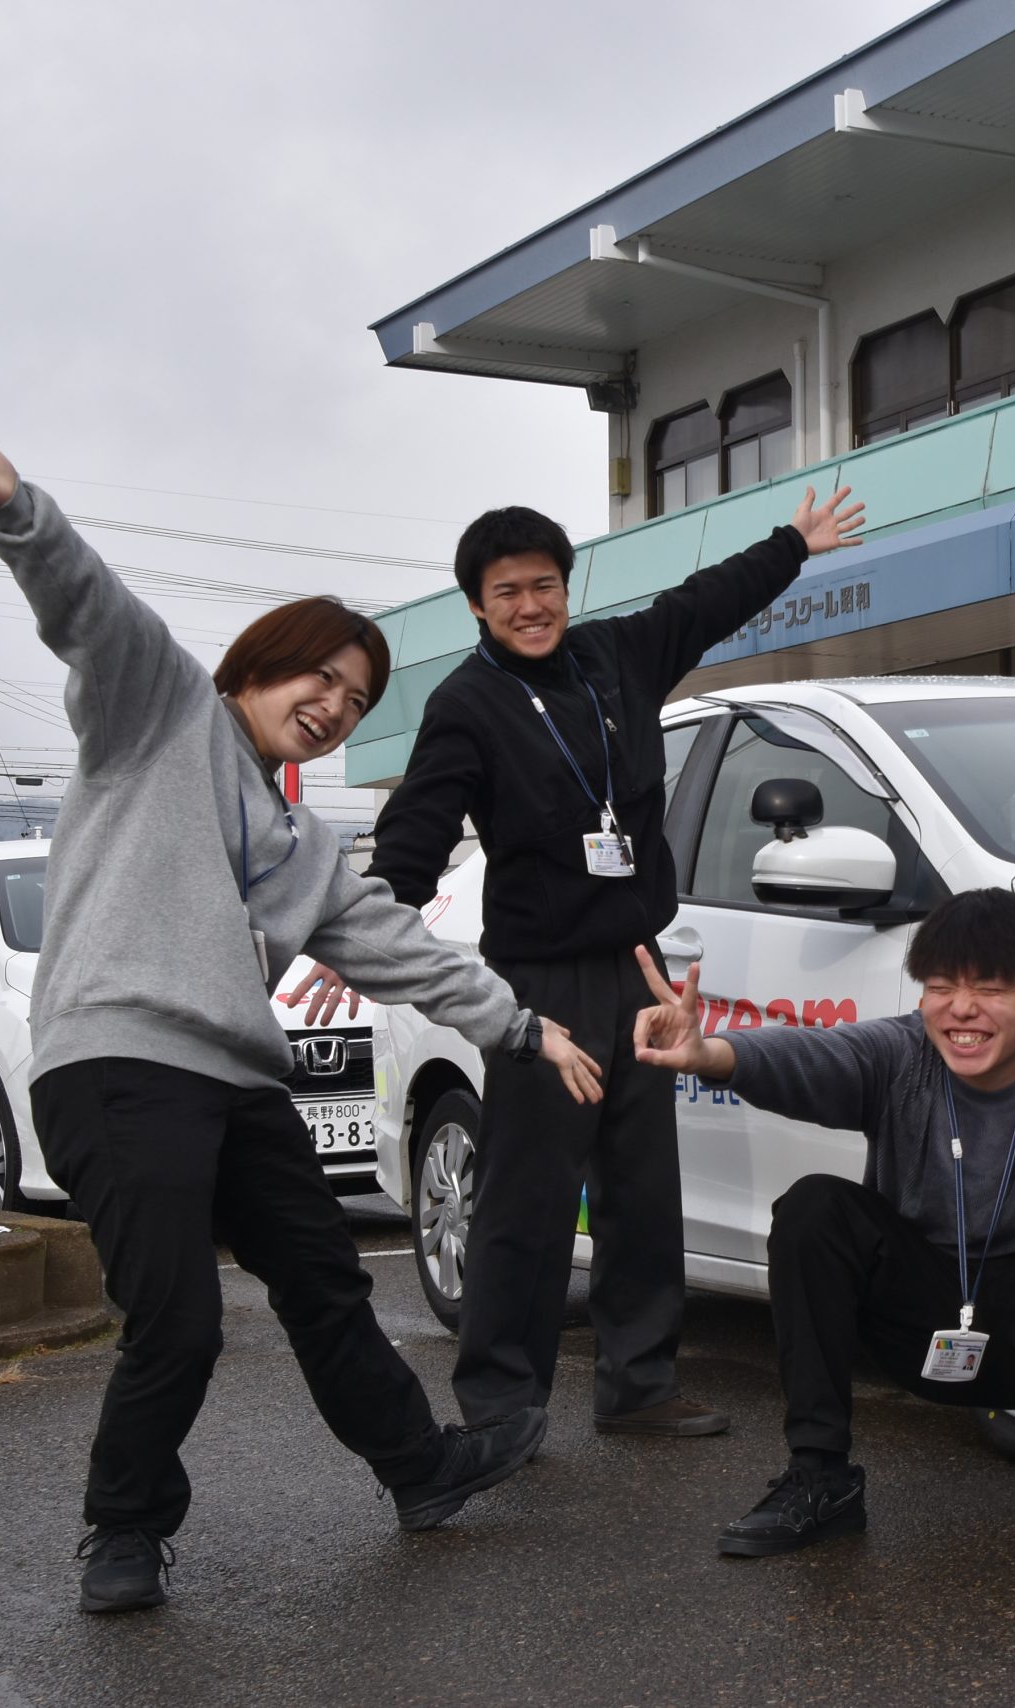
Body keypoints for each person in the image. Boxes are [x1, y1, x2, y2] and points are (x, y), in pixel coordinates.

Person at [0, 413, 607, 1616]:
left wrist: (522, 1027)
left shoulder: (301, 842)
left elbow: (396, 945)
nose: (332, 705)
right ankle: (124, 1530)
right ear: (256, 666)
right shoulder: (159, 711)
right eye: (317, 676)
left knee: (327, 1281)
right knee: (176, 1318)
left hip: (237, 1081)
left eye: (355, 699)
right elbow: (92, 609)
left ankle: (421, 1469)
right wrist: (17, 507)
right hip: (118, 1062)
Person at [294, 485, 865, 1442]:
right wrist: (364, 934)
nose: (531, 606)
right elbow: (416, 834)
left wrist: (792, 544)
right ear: (477, 606)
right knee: (528, 1197)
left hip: (640, 970)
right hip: (541, 982)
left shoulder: (615, 657)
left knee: (643, 1186)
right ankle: (502, 1405)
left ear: (568, 587)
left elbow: (704, 602)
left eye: (545, 586)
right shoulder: (468, 705)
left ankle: (639, 1384)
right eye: (507, 592)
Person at [627, 888, 1015, 1555]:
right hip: (921, 1305)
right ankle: (820, 1477)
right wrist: (711, 1054)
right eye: (941, 987)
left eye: (990, 989)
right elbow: (808, 1058)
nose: (961, 1009)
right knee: (814, 1210)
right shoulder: (900, 1054)